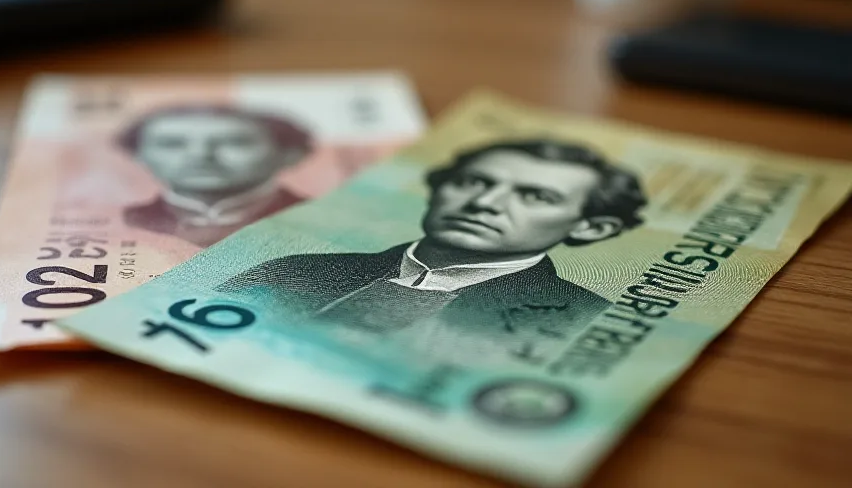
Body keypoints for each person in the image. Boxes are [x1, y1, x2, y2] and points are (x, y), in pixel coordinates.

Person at [218, 139, 648, 364]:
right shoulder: (291, 271)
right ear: (438, 188)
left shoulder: (583, 321)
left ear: (591, 227)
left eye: (535, 196)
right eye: (474, 183)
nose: (485, 203)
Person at [120, 105, 312, 247]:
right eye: (172, 144)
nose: (201, 155)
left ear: (290, 154)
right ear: (138, 155)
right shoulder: (122, 221)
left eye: (234, 142)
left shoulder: (319, 221)